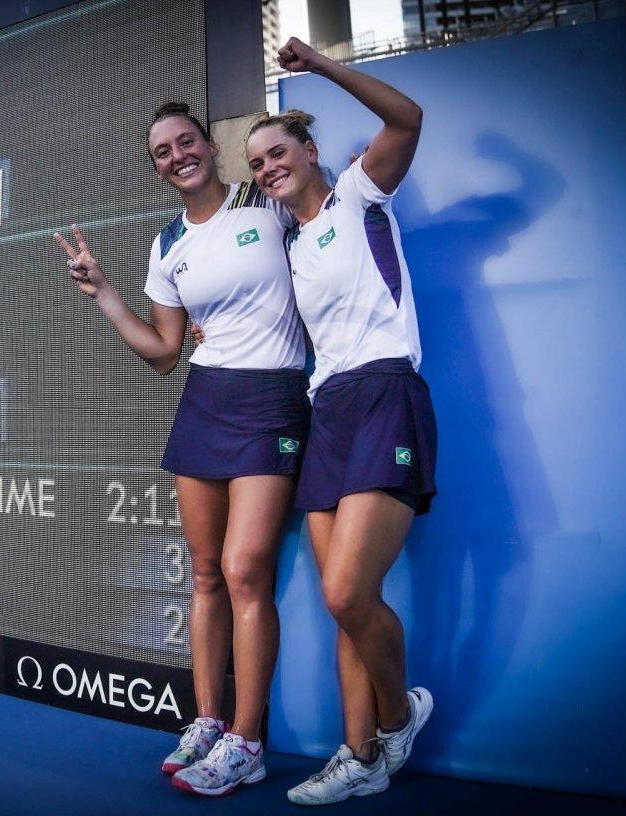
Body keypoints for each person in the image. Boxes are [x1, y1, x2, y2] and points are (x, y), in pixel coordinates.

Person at [53, 102, 310, 797]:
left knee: (245, 569)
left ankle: (247, 743)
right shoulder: (167, 245)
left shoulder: (266, 201)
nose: (177, 156)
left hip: (271, 402)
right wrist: (104, 292)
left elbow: (320, 242)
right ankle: (207, 722)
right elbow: (165, 353)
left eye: (185, 141)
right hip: (204, 402)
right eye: (162, 151)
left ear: (207, 145)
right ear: (158, 167)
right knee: (205, 575)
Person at [243, 38, 438, 806]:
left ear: (309, 149)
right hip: (328, 412)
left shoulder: (360, 193)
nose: (266, 168)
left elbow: (409, 117)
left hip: (386, 392)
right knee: (340, 603)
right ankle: (357, 755)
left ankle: (398, 718)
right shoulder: (288, 248)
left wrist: (319, 68)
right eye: (256, 163)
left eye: (276, 151)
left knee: (347, 593)